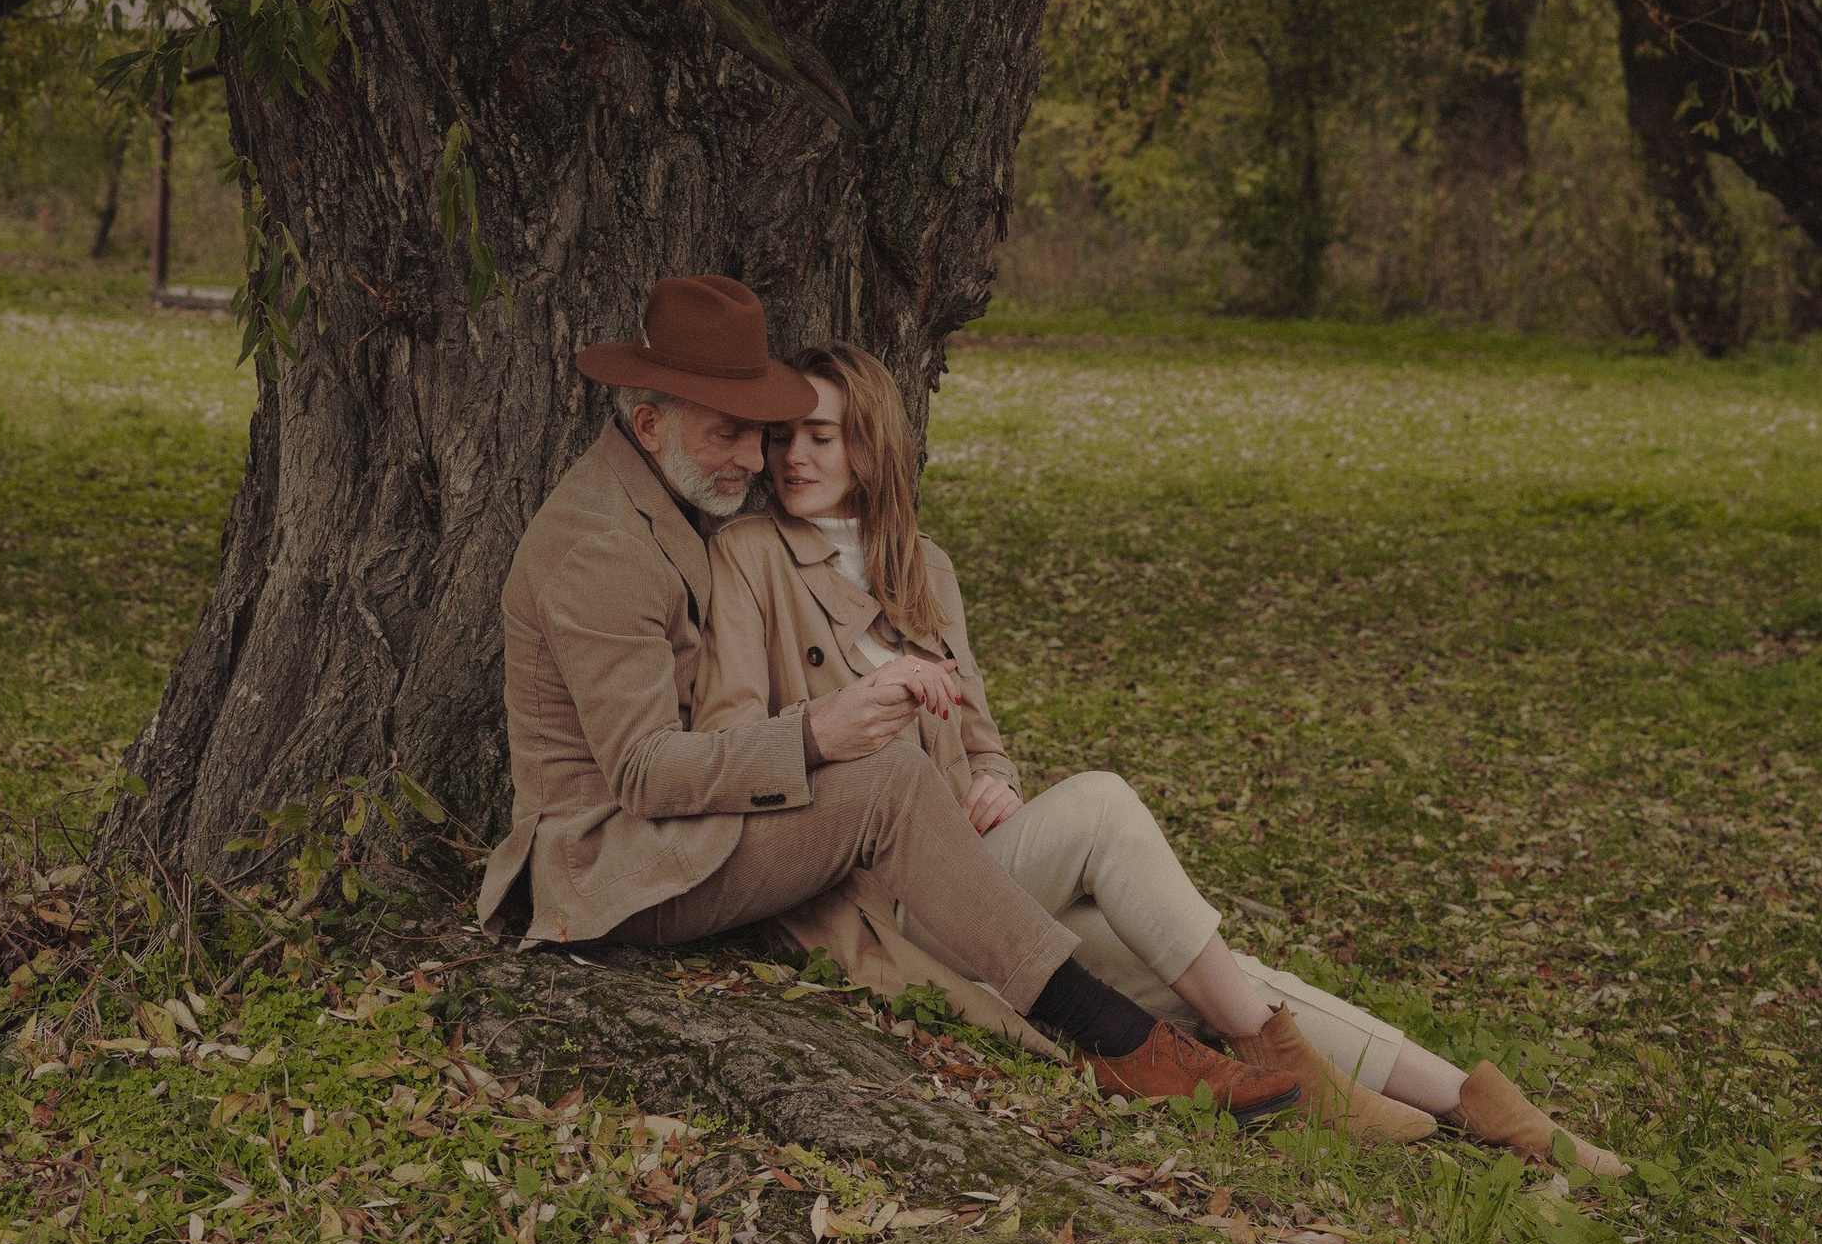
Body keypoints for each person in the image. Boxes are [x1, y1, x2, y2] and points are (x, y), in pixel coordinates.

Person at [698, 341, 1627, 1176]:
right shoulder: (748, 555)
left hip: (983, 863)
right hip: (884, 888)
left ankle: (1496, 1115)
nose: (792, 458)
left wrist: (996, 781)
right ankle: (1276, 1054)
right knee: (1102, 807)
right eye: (782, 438)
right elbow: (733, 740)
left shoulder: (922, 567)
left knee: (1211, 972)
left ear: (871, 444)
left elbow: (982, 732)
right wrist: (850, 713)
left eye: (820, 436)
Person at [476, 276, 1301, 1126]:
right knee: (889, 776)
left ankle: (1279, 1053)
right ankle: (1117, 1042)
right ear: (651, 423)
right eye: (733, 435)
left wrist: (974, 767)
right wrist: (817, 731)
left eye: (760, 437)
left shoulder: (657, 498)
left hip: (694, 826)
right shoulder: (602, 547)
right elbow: (644, 773)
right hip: (613, 867)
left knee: (946, 807)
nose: (757, 463)